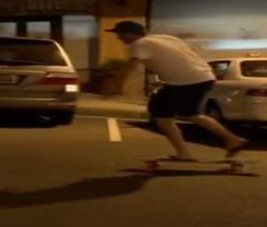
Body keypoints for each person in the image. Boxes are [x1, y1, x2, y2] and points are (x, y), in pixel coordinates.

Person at [106, 21, 248, 160]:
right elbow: (176, 58)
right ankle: (232, 139)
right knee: (192, 114)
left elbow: (131, 67)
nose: (119, 38)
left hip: (184, 81)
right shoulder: (167, 39)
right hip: (204, 77)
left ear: (132, 33)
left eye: (120, 34)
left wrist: (118, 84)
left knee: (161, 115)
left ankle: (184, 152)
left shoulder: (139, 44)